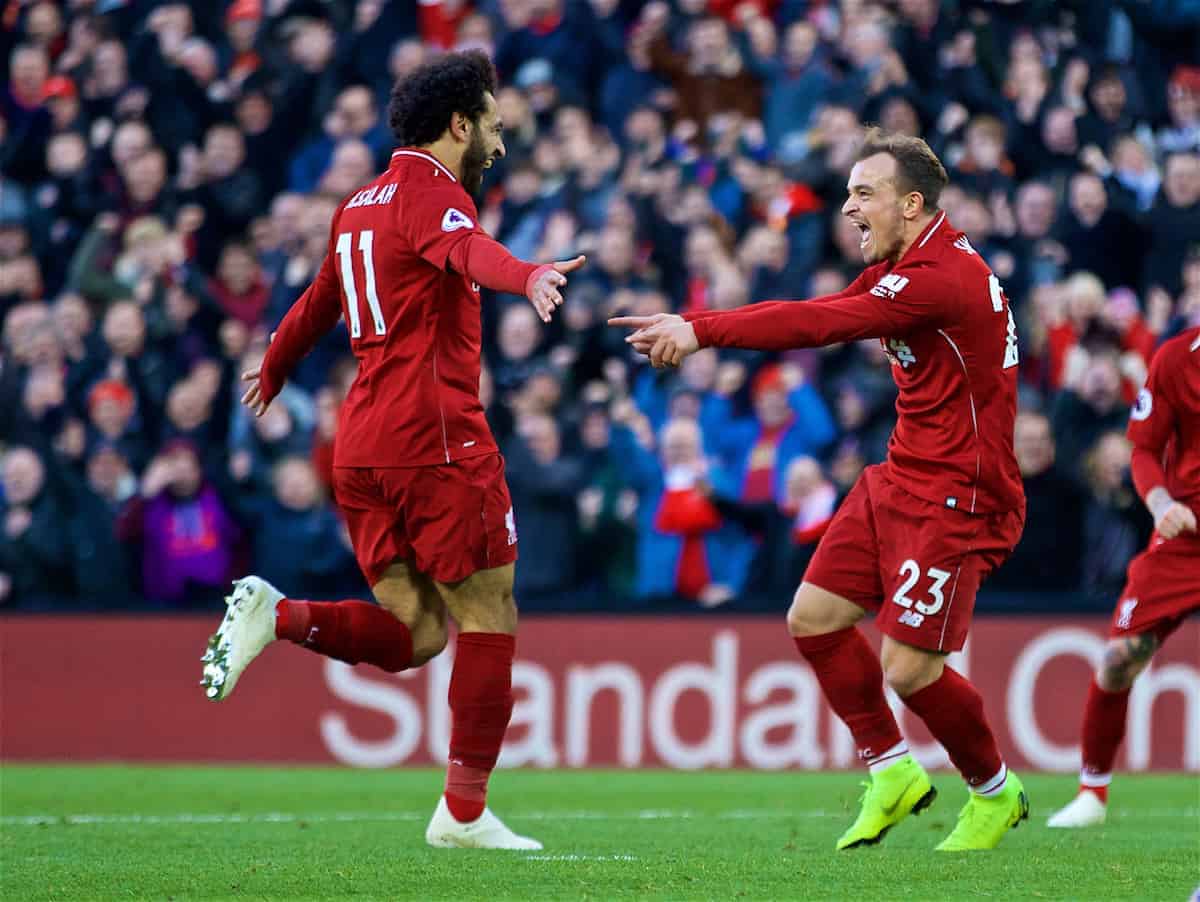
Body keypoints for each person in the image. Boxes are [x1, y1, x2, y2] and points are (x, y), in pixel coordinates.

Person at [198, 51, 585, 851]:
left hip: (360, 443)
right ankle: (464, 815)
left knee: (415, 632)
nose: (499, 145)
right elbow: (469, 253)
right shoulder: (430, 197)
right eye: (493, 128)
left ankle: (280, 616)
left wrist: (272, 365)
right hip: (433, 439)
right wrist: (530, 275)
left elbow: (316, 302)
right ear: (459, 125)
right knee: (488, 612)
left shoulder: (359, 204)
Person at [611, 129, 1029, 852]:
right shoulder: (908, 263)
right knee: (813, 619)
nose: (847, 209)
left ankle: (995, 792)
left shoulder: (939, 279)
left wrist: (700, 329)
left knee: (908, 667)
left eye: (864, 194)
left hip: (960, 495)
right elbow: (823, 307)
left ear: (913, 203)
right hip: (900, 477)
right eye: (848, 193)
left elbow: (819, 323)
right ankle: (893, 772)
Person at [1048, 327, 1199, 828]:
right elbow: (1144, 450)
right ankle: (1092, 793)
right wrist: (1160, 504)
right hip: (1184, 538)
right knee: (1118, 658)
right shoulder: (1177, 358)